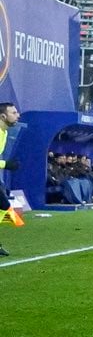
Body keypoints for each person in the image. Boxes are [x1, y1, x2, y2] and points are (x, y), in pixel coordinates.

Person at [0, 100, 21, 250]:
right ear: (3, 116)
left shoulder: (5, 132)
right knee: (4, 206)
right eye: (13, 113)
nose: (17, 115)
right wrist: (6, 164)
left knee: (4, 206)